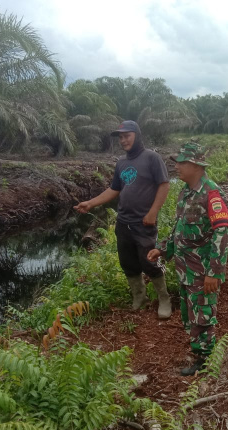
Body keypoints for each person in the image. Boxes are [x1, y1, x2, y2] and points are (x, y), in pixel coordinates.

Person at [146, 142, 228, 376]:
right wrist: (163, 249)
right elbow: (179, 228)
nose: (177, 167)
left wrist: (214, 272)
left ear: (195, 165)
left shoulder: (211, 194)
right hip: (186, 269)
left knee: (203, 316)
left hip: (202, 271)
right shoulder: (186, 193)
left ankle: (205, 363)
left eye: (182, 162)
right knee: (190, 314)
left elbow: (221, 233)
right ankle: (200, 354)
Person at [74, 120, 172, 319]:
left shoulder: (152, 158)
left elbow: (164, 185)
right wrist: (91, 203)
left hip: (144, 223)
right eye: (120, 137)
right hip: (123, 222)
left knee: (150, 261)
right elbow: (114, 189)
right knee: (128, 263)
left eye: (127, 135)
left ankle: (164, 298)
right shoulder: (121, 162)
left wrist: (153, 212)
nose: (123, 140)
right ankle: (140, 297)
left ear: (137, 135)